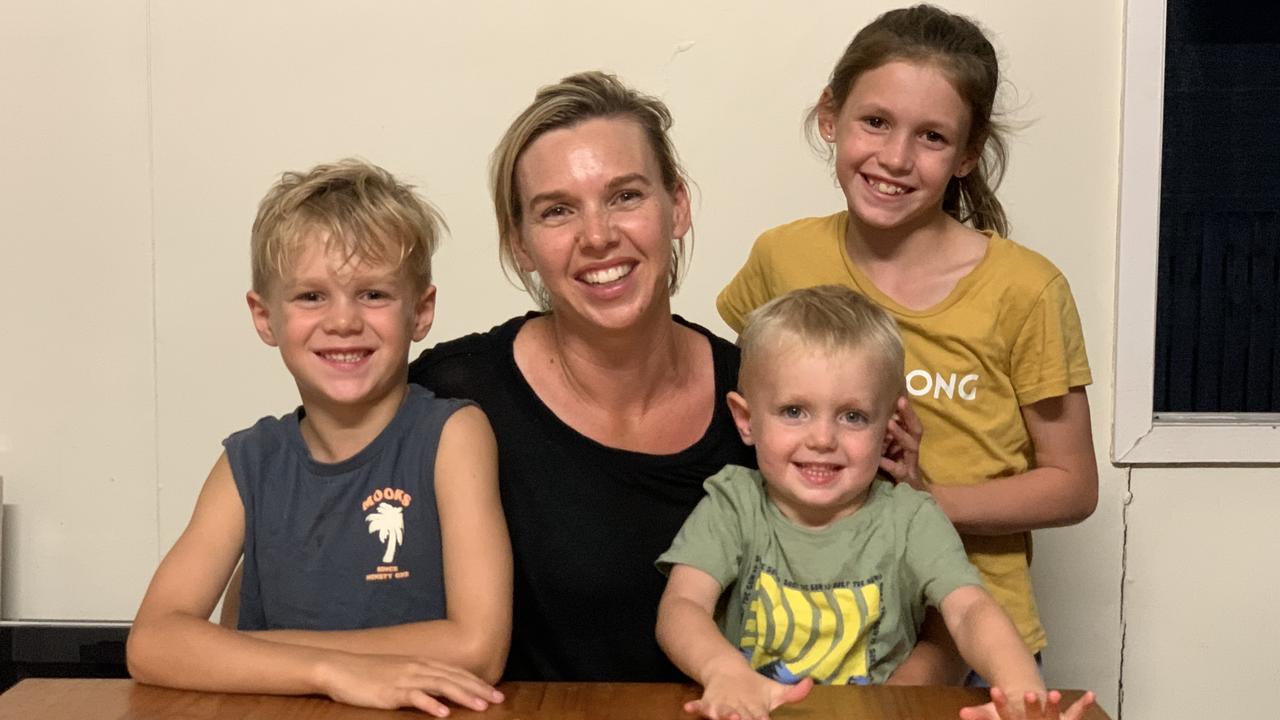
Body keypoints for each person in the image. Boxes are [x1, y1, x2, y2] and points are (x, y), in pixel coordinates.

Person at [715, 4, 1098, 681]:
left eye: (931, 136)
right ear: (829, 116)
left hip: (979, 636)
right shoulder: (783, 257)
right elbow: (752, 411)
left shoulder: (1026, 289)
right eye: (875, 122)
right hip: (816, 627)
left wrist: (921, 500)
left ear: (968, 154)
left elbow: (1072, 486)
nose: (895, 158)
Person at [127, 159, 512, 717]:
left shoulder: (453, 436)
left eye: (374, 295)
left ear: (421, 312)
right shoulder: (247, 463)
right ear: (265, 318)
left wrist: (239, 653)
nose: (343, 321)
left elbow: (478, 650)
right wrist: (331, 673)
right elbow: (152, 642)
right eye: (311, 296)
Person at [406, 71, 757, 682]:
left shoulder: (764, 399)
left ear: (677, 206)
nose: (597, 236)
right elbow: (286, 552)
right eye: (558, 211)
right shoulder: (450, 395)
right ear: (520, 244)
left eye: (625, 196)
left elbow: (908, 602)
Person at [656, 285, 1096, 720]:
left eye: (853, 416)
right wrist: (724, 671)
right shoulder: (734, 503)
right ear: (746, 420)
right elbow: (682, 607)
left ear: (888, 429)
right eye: (794, 411)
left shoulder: (911, 516)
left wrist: (1022, 691)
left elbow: (970, 610)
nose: (823, 439)